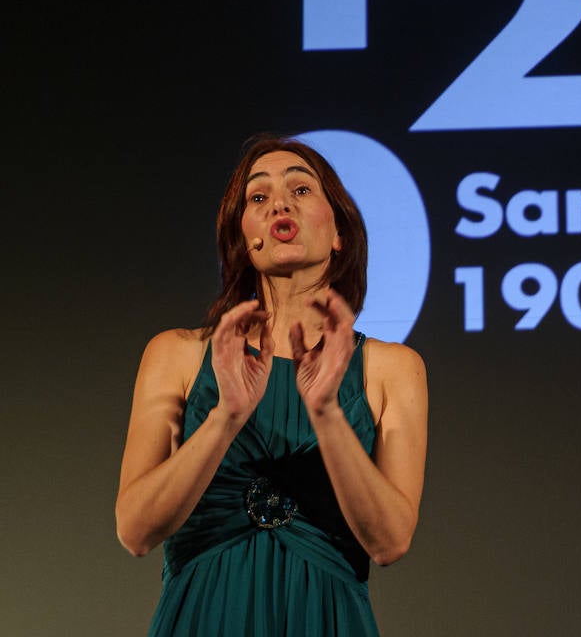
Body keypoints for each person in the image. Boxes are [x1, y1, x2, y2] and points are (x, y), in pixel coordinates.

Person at [116, 135, 428, 636]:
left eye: (301, 190)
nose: (279, 202)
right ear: (244, 237)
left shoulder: (393, 369)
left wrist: (326, 413)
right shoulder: (176, 353)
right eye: (257, 197)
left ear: (338, 232)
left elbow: (389, 542)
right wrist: (225, 418)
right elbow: (135, 530)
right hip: (203, 616)